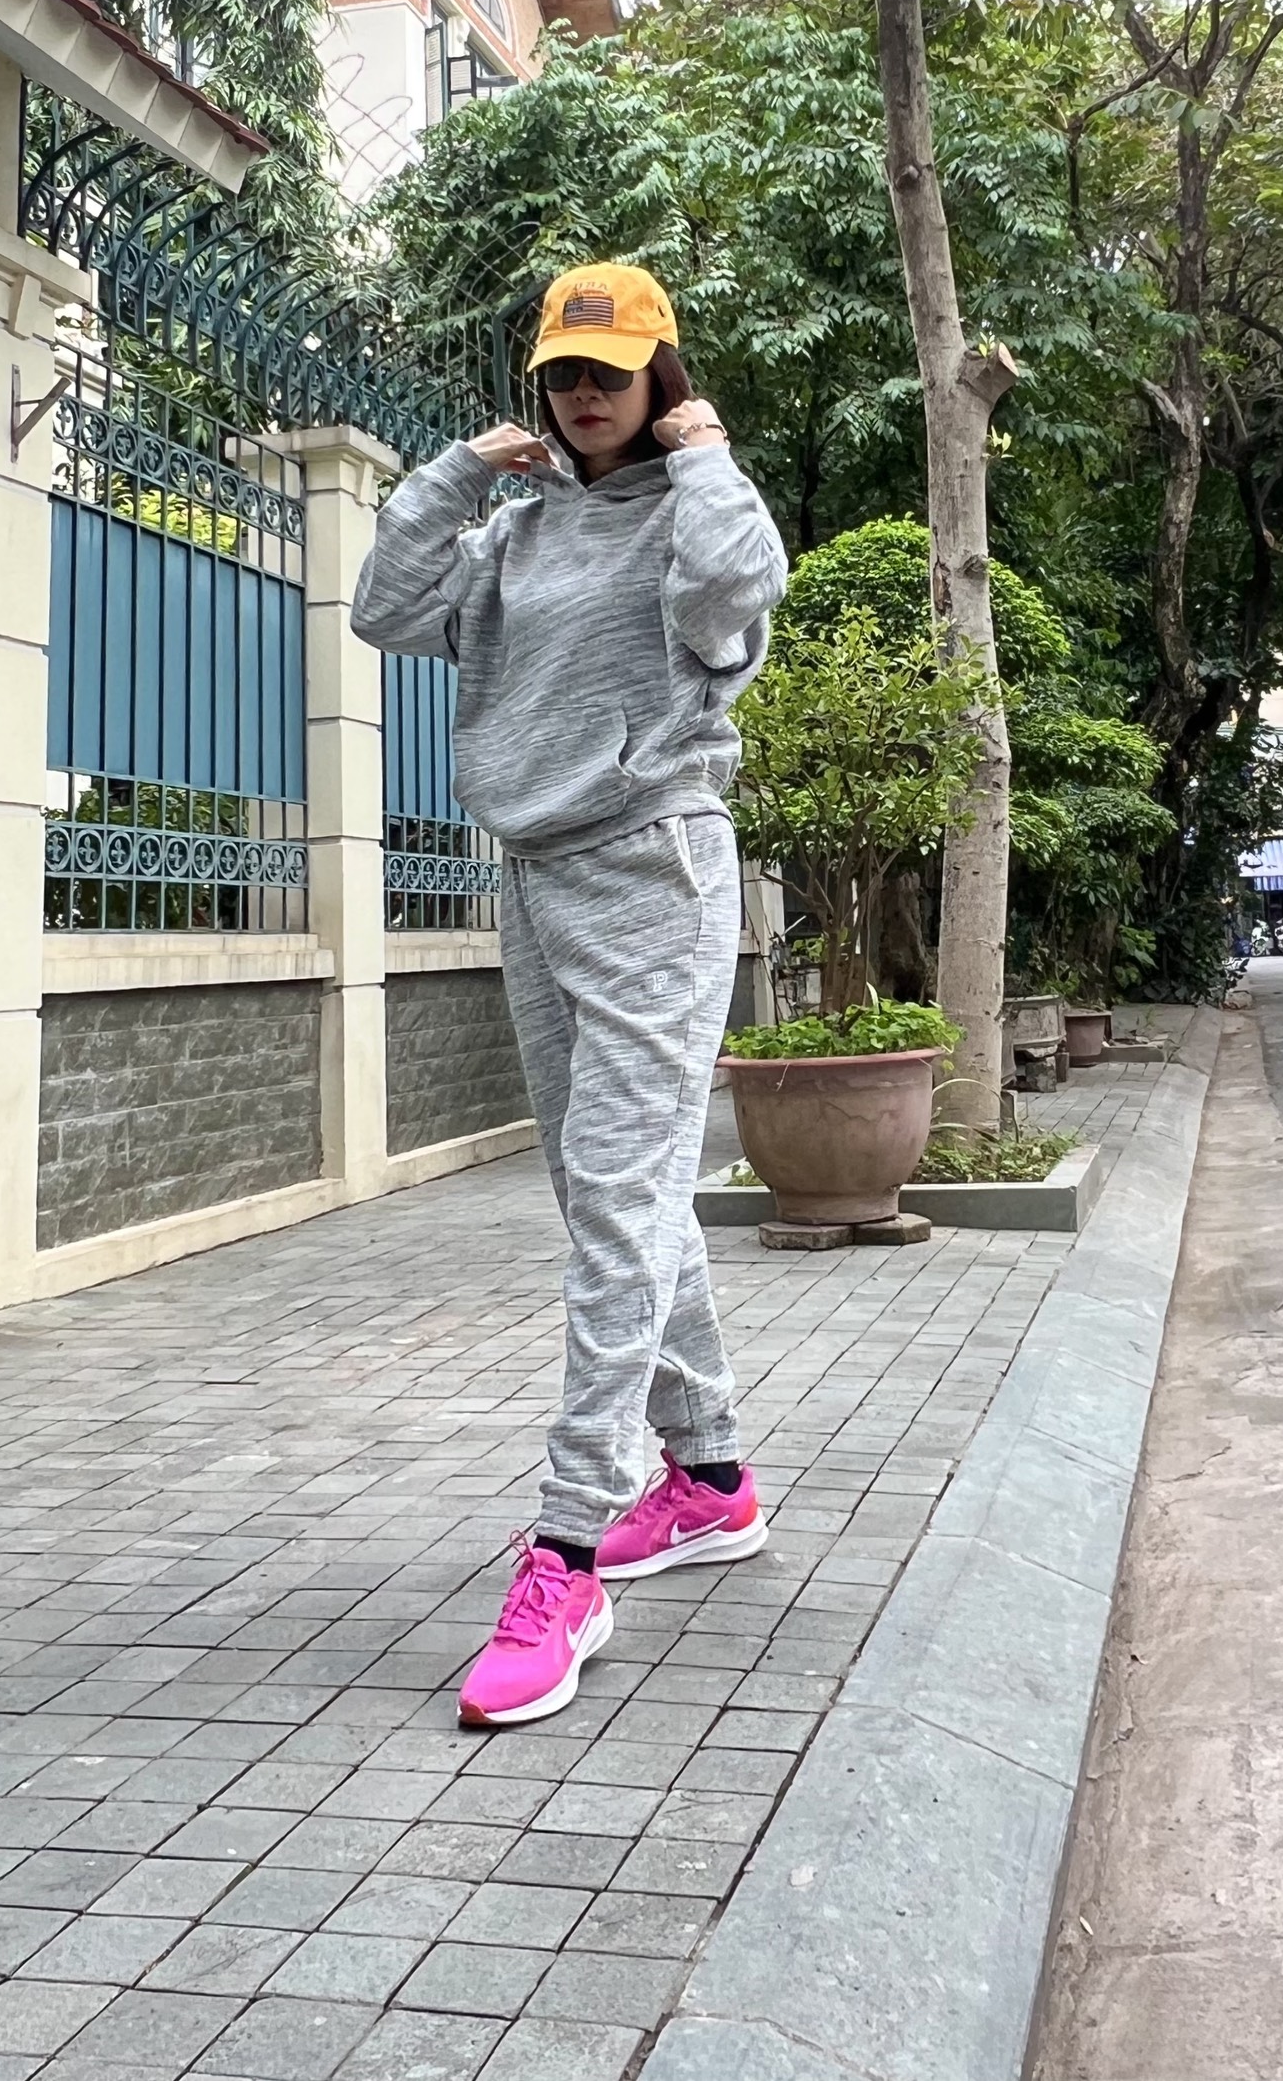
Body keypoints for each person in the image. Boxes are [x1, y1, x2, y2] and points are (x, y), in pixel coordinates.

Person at [351, 263, 788, 1728]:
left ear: (661, 372)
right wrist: (460, 470)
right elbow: (382, 608)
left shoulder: (697, 507)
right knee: (616, 1194)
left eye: (614, 366)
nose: (586, 391)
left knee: (617, 1197)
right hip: (533, 877)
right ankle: (710, 1476)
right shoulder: (516, 527)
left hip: (654, 866)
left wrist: (706, 457)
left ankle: (569, 1549)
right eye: (563, 372)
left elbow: (733, 601)